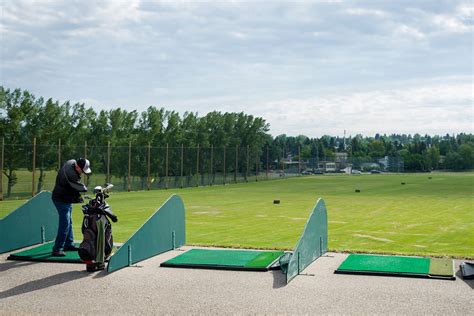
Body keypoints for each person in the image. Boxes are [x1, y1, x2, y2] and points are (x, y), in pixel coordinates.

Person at [51, 158, 91, 256]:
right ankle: (57, 248)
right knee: (65, 223)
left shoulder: (72, 162)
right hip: (60, 199)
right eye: (82, 171)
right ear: (77, 167)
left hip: (65, 198)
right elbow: (81, 188)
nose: (82, 173)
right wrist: (88, 190)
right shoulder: (71, 174)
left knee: (69, 221)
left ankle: (68, 244)